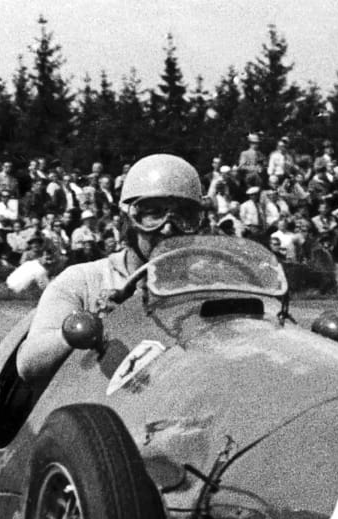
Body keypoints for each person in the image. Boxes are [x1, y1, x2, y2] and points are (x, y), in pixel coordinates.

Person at [16, 153, 203, 381]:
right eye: (153, 213)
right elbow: (29, 366)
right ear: (126, 220)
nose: (167, 229)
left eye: (185, 217)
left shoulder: (206, 283)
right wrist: (94, 322)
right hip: (98, 409)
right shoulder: (82, 280)